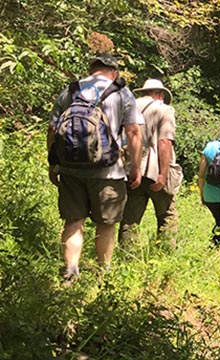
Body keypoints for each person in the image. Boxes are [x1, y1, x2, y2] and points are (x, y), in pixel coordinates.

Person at [47, 53, 143, 285]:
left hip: (70, 170)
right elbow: (133, 132)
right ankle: (103, 275)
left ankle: (70, 271)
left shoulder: (70, 91)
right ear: (114, 72)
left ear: (92, 68)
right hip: (109, 171)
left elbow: (52, 130)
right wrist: (135, 167)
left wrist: (53, 164)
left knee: (73, 221)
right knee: (107, 224)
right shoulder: (121, 93)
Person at [118, 79, 181, 249]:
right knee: (167, 215)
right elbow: (165, 142)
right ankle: (165, 254)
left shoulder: (128, 108)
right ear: (159, 94)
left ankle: (126, 255)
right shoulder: (164, 109)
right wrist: (163, 175)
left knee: (130, 219)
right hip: (154, 171)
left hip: (130, 170)